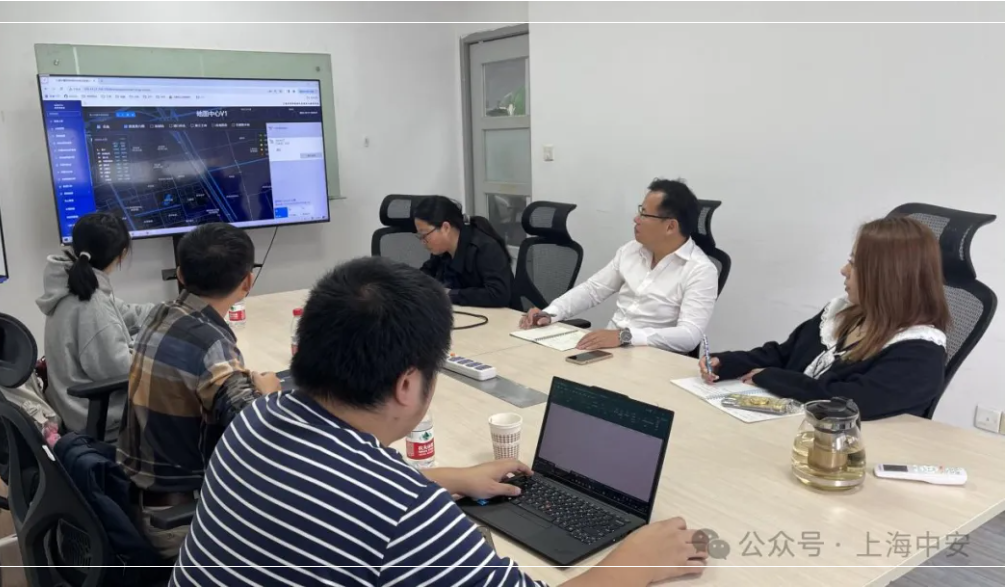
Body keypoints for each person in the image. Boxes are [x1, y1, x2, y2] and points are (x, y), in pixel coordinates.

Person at [170, 257, 707, 587]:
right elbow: (378, 506)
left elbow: (332, 487)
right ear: (408, 385)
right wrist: (631, 565)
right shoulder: (404, 513)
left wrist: (447, 477)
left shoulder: (258, 417)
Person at [117, 223, 281, 559]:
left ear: (179, 274)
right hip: (178, 520)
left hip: (139, 496)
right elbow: (256, 434)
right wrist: (268, 394)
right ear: (247, 282)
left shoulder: (162, 313)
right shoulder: (211, 346)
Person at [700, 217, 950, 420]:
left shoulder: (919, 353)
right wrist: (729, 362)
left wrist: (769, 376)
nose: (844, 270)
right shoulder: (844, 313)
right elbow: (785, 354)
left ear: (887, 276)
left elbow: (849, 401)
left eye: (854, 264)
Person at [521, 179, 718, 353]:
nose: (636, 219)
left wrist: (625, 336)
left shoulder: (700, 270)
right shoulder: (631, 250)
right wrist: (551, 313)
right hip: (609, 351)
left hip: (652, 358)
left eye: (644, 214)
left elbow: (689, 335)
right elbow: (592, 290)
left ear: (670, 226)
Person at [36, 213, 154, 438]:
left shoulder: (72, 284)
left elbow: (126, 312)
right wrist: (158, 350)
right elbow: (123, 369)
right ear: (122, 254)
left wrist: (172, 310)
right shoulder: (92, 305)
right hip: (100, 421)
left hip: (73, 409)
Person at [415, 196, 514, 308]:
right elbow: (425, 274)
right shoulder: (441, 250)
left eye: (424, 234)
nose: (423, 241)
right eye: (419, 236)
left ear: (445, 228)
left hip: (502, 315)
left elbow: (498, 294)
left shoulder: (485, 248)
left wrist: (450, 294)